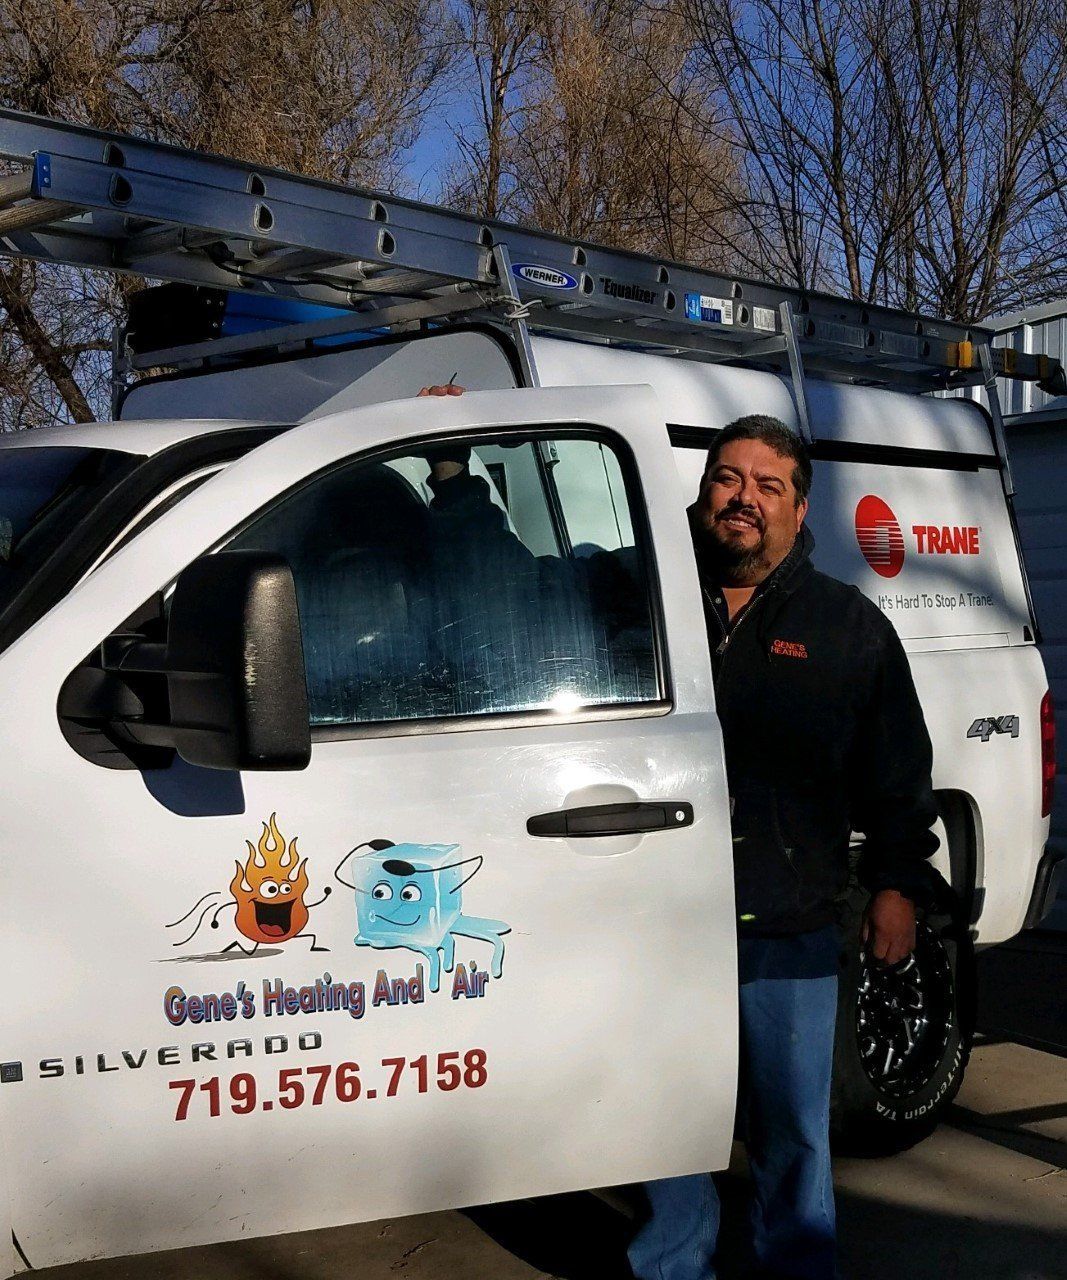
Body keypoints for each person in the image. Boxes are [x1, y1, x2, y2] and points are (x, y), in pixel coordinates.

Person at [415, 389, 939, 1279]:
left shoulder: (844, 625)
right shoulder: (629, 588)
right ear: (700, 495)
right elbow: (501, 579)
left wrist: (896, 886)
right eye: (726, 479)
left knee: (792, 1133)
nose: (743, 497)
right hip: (654, 920)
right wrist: (453, 470)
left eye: (767, 486)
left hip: (786, 924)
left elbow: (896, 772)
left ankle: (797, 1266)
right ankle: (671, 1265)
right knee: (660, 1122)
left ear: (798, 508)